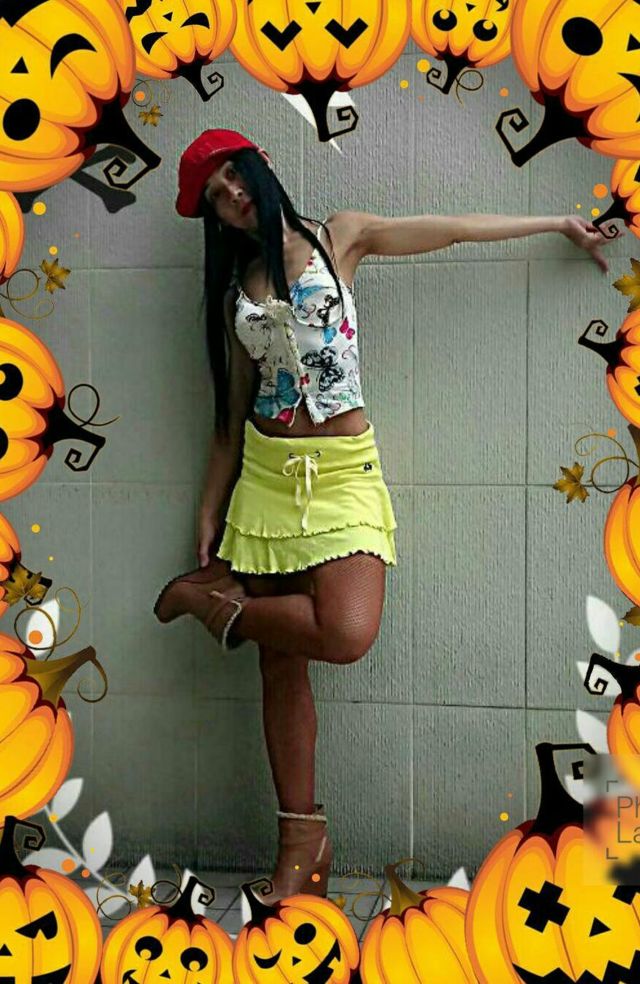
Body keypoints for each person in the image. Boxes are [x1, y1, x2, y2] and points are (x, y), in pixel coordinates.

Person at [154, 128, 616, 905]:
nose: (230, 195)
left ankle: (216, 606)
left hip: (343, 478)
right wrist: (208, 512)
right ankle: (302, 846)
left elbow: (453, 228)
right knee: (281, 666)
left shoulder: (340, 237)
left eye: (234, 176)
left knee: (346, 632)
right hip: (265, 479)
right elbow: (229, 418)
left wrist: (554, 223)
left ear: (261, 170)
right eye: (215, 197)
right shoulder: (240, 289)